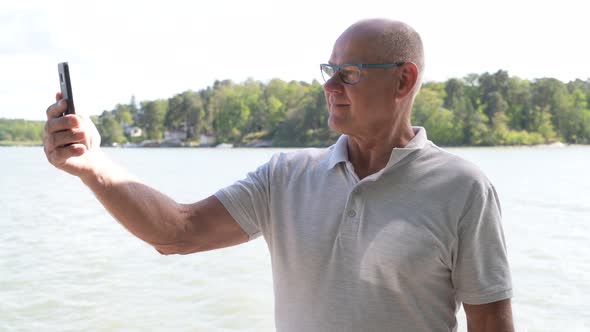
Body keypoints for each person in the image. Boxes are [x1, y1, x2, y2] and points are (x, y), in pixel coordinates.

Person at [43, 18, 514, 332]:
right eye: (329, 70)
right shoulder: (286, 176)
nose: (328, 86)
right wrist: (92, 166)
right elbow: (177, 232)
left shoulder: (462, 188)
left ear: (404, 80)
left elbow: (491, 323)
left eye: (348, 73)